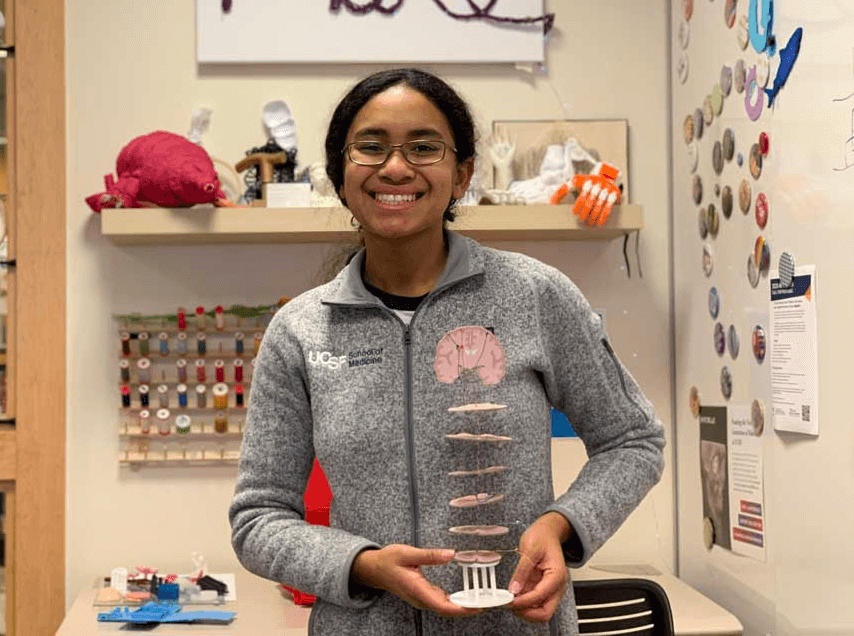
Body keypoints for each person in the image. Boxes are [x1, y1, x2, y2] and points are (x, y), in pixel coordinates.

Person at [230, 69, 665, 636]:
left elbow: (633, 440)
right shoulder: (301, 331)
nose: (394, 167)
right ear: (341, 173)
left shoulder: (535, 295)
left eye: (423, 147)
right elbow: (258, 518)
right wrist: (362, 565)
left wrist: (562, 524)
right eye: (371, 146)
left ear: (460, 176)